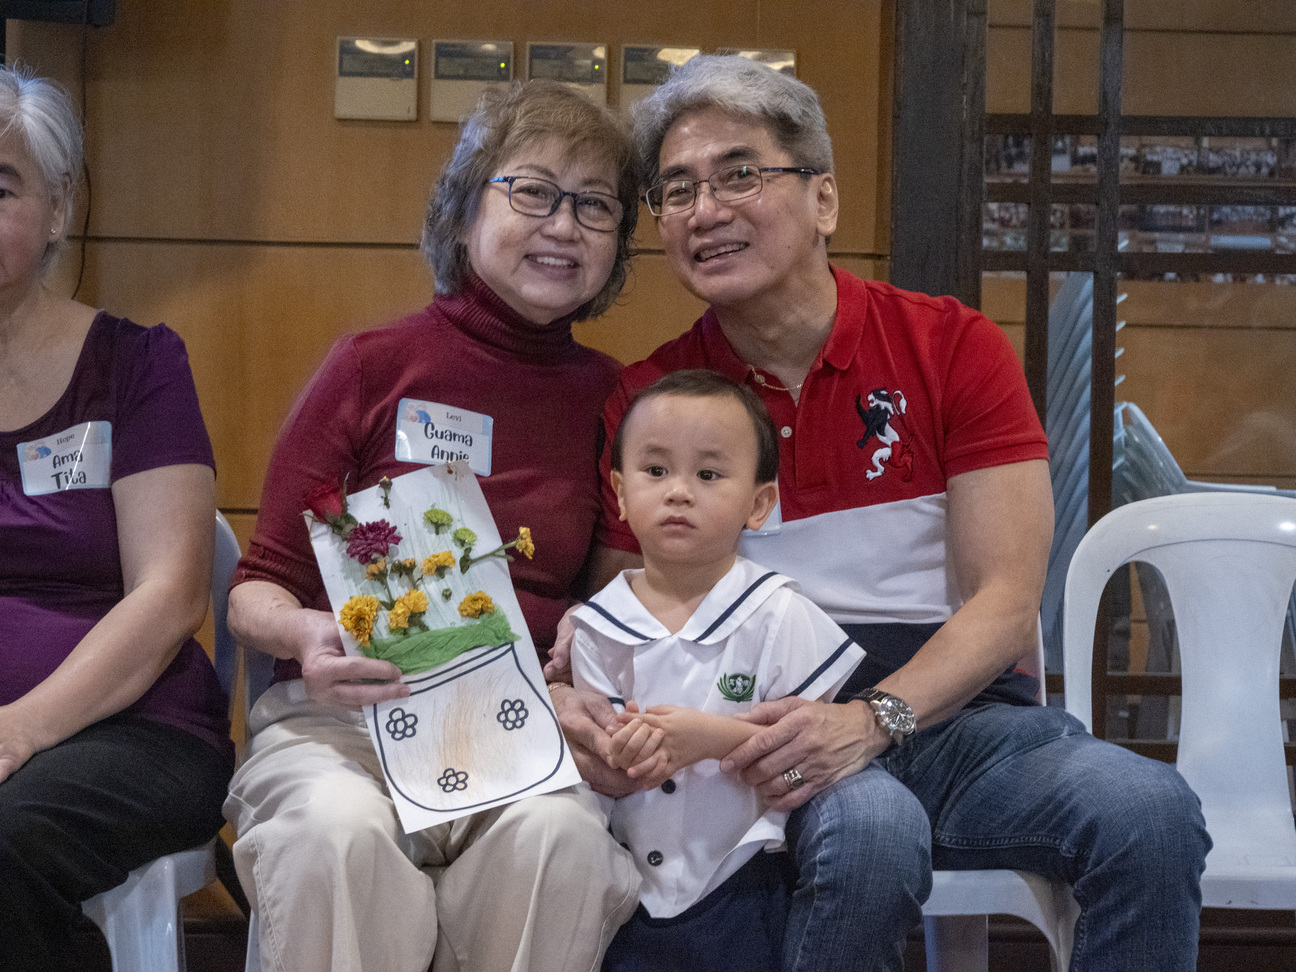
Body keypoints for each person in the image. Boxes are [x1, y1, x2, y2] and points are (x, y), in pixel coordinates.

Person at [550, 55, 1211, 971]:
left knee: (1149, 811)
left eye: (740, 173)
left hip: (959, 726)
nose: (704, 211)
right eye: (677, 190)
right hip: (755, 744)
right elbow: (624, 611)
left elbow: (1006, 599)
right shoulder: (653, 401)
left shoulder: (950, 346)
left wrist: (873, 721)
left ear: (823, 199)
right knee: (869, 836)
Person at [224, 79, 641, 972]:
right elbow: (256, 588)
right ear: (461, 215)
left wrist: (589, 643)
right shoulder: (372, 367)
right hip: (352, 722)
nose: (563, 224)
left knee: (562, 842)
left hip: (521, 728)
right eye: (532, 191)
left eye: (594, 205)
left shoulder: (619, 399)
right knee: (332, 836)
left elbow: (618, 602)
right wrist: (307, 630)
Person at [0, 66, 232, 971]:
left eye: (1, 184)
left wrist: (20, 727)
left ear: (57, 210)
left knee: (7, 841)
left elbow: (173, 595)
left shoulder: (138, 365)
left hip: (131, 728)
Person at [570, 370, 864, 972]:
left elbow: (814, 749)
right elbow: (593, 747)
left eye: (707, 475)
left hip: (746, 877)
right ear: (620, 493)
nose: (679, 492)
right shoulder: (596, 625)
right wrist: (621, 749)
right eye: (656, 472)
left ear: (759, 503)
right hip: (626, 885)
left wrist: (707, 739)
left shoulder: (781, 613)